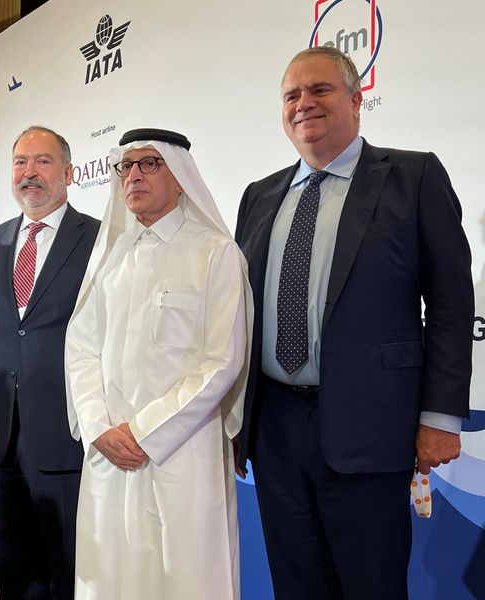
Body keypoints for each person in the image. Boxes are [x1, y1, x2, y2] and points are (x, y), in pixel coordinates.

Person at [234, 46, 474, 599]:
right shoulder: (260, 195)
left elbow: (449, 304)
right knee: (296, 583)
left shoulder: (412, 176)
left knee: (372, 583)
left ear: (355, 99)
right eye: (291, 95)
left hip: (372, 424)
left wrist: (440, 417)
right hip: (273, 426)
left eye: (320, 90)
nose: (303, 104)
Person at [65, 128, 252, 600]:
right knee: (109, 575)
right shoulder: (110, 257)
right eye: (126, 166)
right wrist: (97, 425)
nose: (133, 176)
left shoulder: (215, 254)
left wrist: (144, 431)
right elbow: (81, 347)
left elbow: (221, 362)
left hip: (181, 451)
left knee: (184, 578)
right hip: (109, 451)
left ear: (181, 175)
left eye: (149, 164)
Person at [0, 126, 99, 599]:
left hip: (68, 429)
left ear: (69, 172)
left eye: (42, 162)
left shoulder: (99, 239)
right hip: (0, 431)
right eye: (20, 162)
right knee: (13, 565)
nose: (29, 173)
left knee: (67, 564)